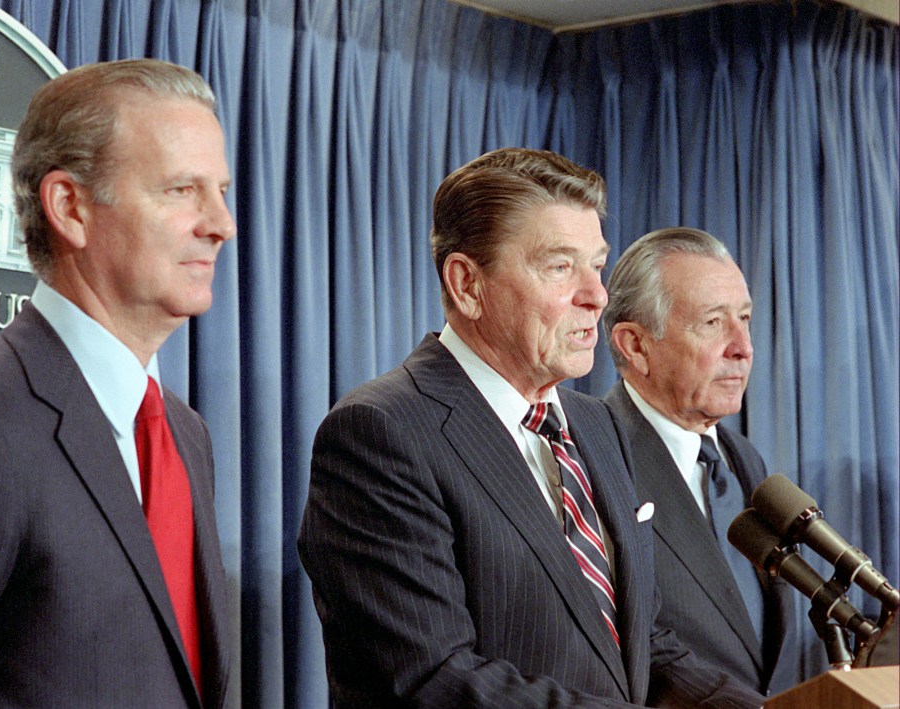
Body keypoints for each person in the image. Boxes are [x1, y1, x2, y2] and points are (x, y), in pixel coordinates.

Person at [298, 148, 764, 707]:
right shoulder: (382, 433)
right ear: (468, 285)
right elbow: (433, 679)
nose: (596, 296)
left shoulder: (596, 424)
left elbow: (643, 644)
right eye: (560, 267)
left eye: (596, 265)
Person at [0, 59, 236, 707]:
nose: (220, 224)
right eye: (182, 190)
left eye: (221, 191)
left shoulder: (186, 435)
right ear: (70, 208)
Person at [601, 227, 795, 696]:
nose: (743, 347)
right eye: (712, 322)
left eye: (744, 318)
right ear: (636, 345)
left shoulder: (742, 458)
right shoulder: (595, 460)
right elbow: (631, 644)